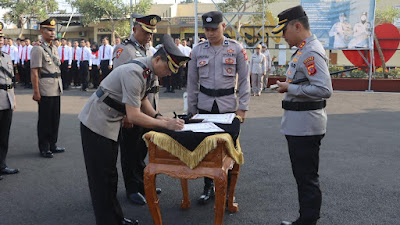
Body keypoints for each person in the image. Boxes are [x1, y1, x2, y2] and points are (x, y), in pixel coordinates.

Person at [79, 34, 189, 225]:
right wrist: (165, 124)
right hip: (96, 123)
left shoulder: (148, 70)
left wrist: (157, 116)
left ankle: (115, 218)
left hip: (109, 121)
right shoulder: (135, 72)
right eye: (168, 69)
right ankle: (108, 221)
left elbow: (143, 98)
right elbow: (133, 116)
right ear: (157, 59)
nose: (169, 74)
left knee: (110, 176)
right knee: (102, 178)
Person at [271, 5, 333, 225]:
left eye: (284, 32)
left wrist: (290, 88)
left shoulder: (311, 52)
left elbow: (325, 90)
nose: (283, 38)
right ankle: (305, 218)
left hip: (306, 126)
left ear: (297, 26)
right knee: (303, 176)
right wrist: (290, 86)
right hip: (299, 125)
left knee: (307, 177)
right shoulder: (304, 49)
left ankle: (307, 221)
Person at [187, 11, 250, 204]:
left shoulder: (236, 49)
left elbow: (245, 81)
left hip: (228, 106)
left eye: (214, 28)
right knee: (207, 149)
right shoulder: (197, 50)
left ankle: (228, 190)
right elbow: (191, 82)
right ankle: (209, 187)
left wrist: (243, 107)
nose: (210, 33)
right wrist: (191, 110)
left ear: (223, 26)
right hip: (205, 106)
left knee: (228, 149)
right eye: (207, 29)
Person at [112, 13, 161, 205]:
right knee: (130, 149)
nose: (149, 36)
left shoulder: (150, 50)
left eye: (151, 33)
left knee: (143, 148)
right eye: (145, 31)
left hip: (149, 103)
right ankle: (132, 188)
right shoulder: (124, 50)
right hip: (132, 108)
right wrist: (126, 114)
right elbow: (120, 83)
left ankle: (142, 183)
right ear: (135, 29)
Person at [30, 18, 66, 158]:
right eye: (49, 30)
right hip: (45, 88)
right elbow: (34, 72)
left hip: (56, 87)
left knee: (55, 118)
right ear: (42, 31)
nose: (52, 33)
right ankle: (44, 147)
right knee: (45, 119)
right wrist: (36, 91)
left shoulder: (54, 48)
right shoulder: (38, 49)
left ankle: (53, 144)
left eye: (53, 30)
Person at [0, 22, 19, 181]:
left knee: (4, 135)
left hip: (7, 99)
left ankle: (2, 165)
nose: (0, 40)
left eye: (1, 37)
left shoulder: (6, 56)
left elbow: (10, 80)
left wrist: (13, 99)